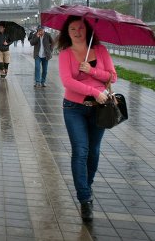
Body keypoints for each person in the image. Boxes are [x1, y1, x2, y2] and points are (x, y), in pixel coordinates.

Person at [57, 15, 117, 223]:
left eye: (80, 27)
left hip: (99, 108)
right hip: (74, 108)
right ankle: (85, 199)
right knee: (80, 151)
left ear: (87, 29)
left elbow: (113, 76)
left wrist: (91, 70)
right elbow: (67, 82)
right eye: (72, 28)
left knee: (94, 151)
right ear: (67, 32)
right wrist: (93, 90)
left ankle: (86, 185)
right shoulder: (65, 54)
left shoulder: (100, 50)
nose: (77, 31)